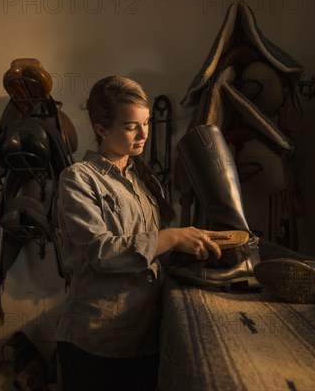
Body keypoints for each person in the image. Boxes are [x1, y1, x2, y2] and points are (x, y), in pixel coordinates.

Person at [54, 75, 231, 390]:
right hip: (98, 343)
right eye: (130, 126)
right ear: (101, 129)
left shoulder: (143, 182)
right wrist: (172, 237)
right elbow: (103, 253)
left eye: (146, 123)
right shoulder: (78, 180)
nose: (144, 133)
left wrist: (190, 245)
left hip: (144, 337)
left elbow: (148, 254)